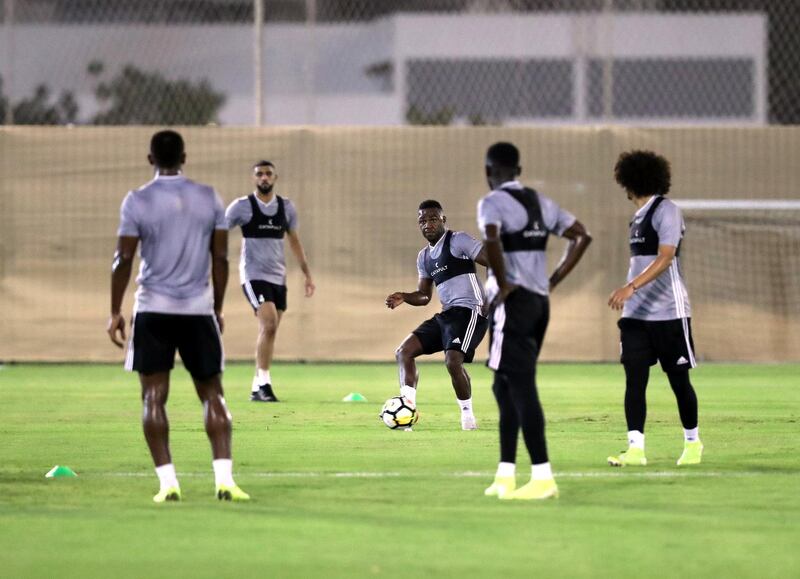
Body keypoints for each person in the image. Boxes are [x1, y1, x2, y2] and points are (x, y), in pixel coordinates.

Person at [107, 130, 249, 503]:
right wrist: (216, 308)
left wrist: (114, 311)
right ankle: (225, 481)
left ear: (150, 159)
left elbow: (123, 259)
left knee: (153, 396)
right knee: (212, 394)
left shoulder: (136, 201)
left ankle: (168, 483)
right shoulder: (208, 197)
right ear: (184, 157)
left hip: (152, 309)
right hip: (196, 310)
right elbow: (220, 259)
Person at [478, 142, 592, 500]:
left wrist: (504, 280)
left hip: (513, 302)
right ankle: (505, 474)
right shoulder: (542, 202)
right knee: (503, 386)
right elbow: (581, 236)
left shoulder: (491, 202)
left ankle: (543, 477)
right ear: (519, 170)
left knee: (521, 386)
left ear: (489, 171)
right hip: (539, 302)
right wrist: (553, 280)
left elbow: (492, 238)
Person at [607, 150, 703, 467]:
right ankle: (635, 449)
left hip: (668, 312)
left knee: (678, 379)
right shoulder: (637, 218)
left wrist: (631, 286)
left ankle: (692, 443)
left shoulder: (667, 211)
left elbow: (666, 257)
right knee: (635, 378)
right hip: (635, 315)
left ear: (630, 182)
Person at [386, 200, 490, 430]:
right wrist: (404, 296)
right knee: (404, 352)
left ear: (443, 220)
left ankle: (467, 417)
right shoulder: (424, 257)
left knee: (453, 361)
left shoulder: (458, 240)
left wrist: (491, 297)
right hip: (447, 315)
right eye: (422, 221)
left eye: (433, 219)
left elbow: (493, 262)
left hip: (470, 311)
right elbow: (424, 296)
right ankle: (407, 411)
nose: (427, 224)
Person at [225, 160, 315, 402]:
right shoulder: (242, 207)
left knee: (270, 330)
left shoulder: (286, 208)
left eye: (268, 174)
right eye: (259, 174)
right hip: (253, 274)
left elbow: (294, 240)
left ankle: (257, 385)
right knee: (269, 324)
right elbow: (219, 230)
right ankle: (265, 384)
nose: (264, 178)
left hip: (278, 276)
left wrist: (306, 273)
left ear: (275, 178)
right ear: (253, 178)